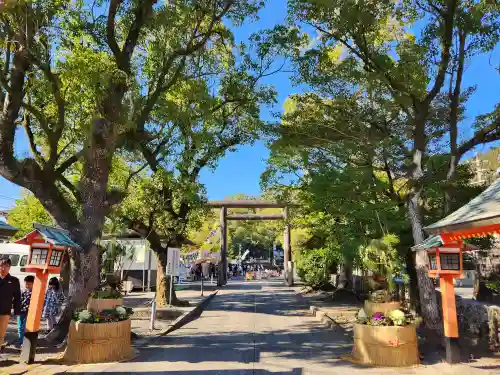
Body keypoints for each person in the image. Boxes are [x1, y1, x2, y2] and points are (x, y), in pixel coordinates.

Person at [0, 257, 21, 352]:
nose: (3, 268)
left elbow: (17, 296)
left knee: (1, 334)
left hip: (5, 311)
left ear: (10, 267)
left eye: (6, 266)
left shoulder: (14, 281)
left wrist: (17, 310)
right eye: (1, 266)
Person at [18, 275, 34, 347]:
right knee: (20, 327)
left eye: (29, 284)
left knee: (24, 327)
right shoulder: (23, 291)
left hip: (28, 312)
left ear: (34, 284)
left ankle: (23, 342)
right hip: (21, 311)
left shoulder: (34, 293)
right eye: (26, 284)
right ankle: (21, 341)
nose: (27, 285)